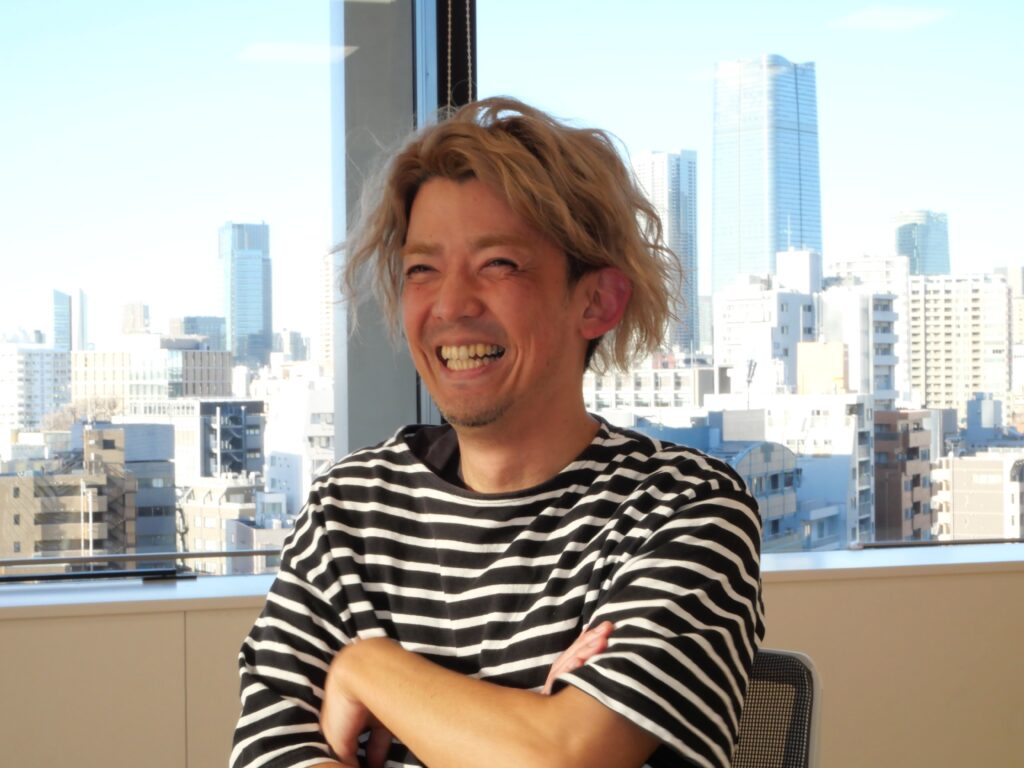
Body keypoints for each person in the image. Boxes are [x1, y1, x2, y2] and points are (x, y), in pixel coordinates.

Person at [231, 97, 764, 768]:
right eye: (422, 269)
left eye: (499, 264)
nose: (451, 305)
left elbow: (565, 757)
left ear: (597, 301)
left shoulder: (684, 509)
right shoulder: (349, 509)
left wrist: (368, 667)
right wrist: (524, 725)